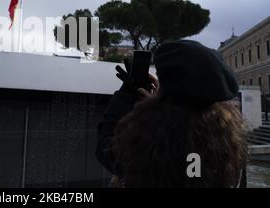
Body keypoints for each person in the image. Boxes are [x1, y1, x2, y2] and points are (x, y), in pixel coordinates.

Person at [96, 40, 248, 188]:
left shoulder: (148, 145)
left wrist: (127, 95)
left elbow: (105, 146)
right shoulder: (231, 145)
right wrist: (163, 100)